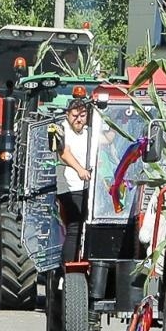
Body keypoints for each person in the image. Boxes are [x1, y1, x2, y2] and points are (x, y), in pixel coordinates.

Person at [55, 97, 92, 263]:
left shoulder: (88, 132)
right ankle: (67, 269)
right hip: (70, 187)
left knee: (88, 226)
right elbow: (64, 152)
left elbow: (107, 139)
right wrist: (80, 170)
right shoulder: (63, 130)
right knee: (75, 226)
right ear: (67, 115)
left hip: (88, 186)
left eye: (83, 115)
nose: (79, 119)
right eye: (75, 115)